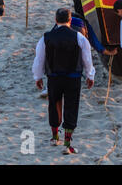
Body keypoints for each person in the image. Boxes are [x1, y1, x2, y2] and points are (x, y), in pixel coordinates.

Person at [32, 8, 95, 155]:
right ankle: (67, 143)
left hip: (54, 77)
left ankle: (55, 137)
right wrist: (90, 76)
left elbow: (39, 59)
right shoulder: (79, 37)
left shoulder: (46, 37)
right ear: (70, 20)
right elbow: (87, 58)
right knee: (71, 107)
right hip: (73, 78)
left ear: (55, 20)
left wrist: (38, 77)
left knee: (54, 104)